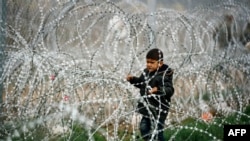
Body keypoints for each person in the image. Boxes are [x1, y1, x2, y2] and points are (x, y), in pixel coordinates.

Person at [126, 48, 174, 141]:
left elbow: (170, 90)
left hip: (159, 109)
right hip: (147, 107)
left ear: (160, 63)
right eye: (147, 62)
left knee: (157, 132)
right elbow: (141, 83)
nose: (148, 64)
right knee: (144, 129)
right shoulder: (146, 72)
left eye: (152, 62)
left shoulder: (164, 75)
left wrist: (158, 89)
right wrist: (132, 79)